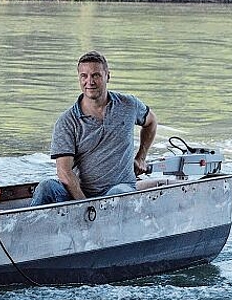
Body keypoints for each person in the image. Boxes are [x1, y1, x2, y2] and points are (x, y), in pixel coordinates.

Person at [30, 51, 158, 206]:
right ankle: (23, 227)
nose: (89, 81)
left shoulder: (128, 104)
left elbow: (151, 121)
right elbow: (64, 172)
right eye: (84, 76)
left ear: (107, 76)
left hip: (121, 189)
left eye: (95, 75)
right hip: (80, 194)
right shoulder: (67, 121)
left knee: (116, 194)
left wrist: (141, 157)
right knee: (46, 187)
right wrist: (85, 206)